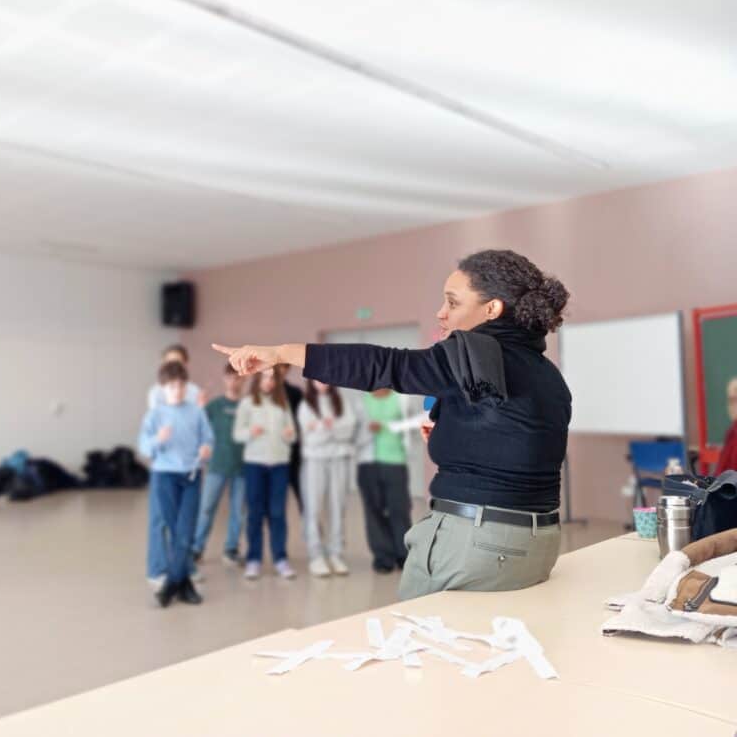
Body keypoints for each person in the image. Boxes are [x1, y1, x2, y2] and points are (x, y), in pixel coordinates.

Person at [215, 249, 572, 600]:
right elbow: (524, 441)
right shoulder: (547, 373)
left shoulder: (475, 353)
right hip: (538, 544)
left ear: (492, 309)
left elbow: (385, 366)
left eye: (453, 303)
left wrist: (280, 354)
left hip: (477, 541)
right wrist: (458, 432)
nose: (441, 313)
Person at [138, 361, 213, 608]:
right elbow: (143, 447)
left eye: (181, 386)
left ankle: (171, 584)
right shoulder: (155, 415)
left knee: (185, 532)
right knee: (174, 531)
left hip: (191, 476)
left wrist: (206, 448)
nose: (177, 391)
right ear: (162, 388)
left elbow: (208, 437)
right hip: (164, 477)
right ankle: (185, 586)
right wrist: (158, 440)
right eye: (171, 387)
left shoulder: (195, 411)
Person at [234, 366, 297, 580]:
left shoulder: (283, 403)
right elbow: (237, 434)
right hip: (255, 465)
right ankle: (254, 559)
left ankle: (280, 558)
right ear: (258, 379)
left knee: (278, 514)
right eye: (265, 378)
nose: (269, 382)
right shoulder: (247, 403)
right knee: (255, 514)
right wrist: (250, 432)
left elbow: (293, 434)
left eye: (272, 378)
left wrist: (289, 434)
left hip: (279, 464)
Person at [298, 380, 357, 577]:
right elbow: (309, 439)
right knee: (313, 507)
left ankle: (335, 553)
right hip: (315, 461)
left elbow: (349, 430)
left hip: (339, 459)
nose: (322, 381)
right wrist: (331, 429)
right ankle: (316, 555)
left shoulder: (341, 402)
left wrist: (321, 427)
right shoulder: (306, 405)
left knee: (337, 506)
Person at [192, 364, 246, 567]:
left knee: (238, 511)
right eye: (231, 377)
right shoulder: (213, 406)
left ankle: (231, 549)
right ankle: (197, 549)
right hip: (216, 466)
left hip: (242, 467)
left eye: (238, 378)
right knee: (206, 509)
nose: (234, 381)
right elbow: (197, 429)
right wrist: (199, 407)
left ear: (244, 380)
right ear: (225, 379)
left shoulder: (248, 405)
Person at [355, 389, 415, 574]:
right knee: (374, 511)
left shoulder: (402, 399)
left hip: (395, 461)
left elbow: (413, 426)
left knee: (400, 509)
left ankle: (403, 555)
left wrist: (390, 426)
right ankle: (383, 557)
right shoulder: (361, 402)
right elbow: (353, 431)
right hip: (368, 463)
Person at [278, 363, 304, 511]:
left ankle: (311, 527)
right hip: (274, 449)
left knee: (301, 490)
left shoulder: (295, 393)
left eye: (284, 367)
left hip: (293, 448)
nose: (281, 371)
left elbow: (301, 419)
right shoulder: (266, 392)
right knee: (277, 496)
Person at [715, 377, 737, 474]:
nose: (731, 405)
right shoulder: (732, 432)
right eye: (730, 400)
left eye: (735, 399)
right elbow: (720, 472)